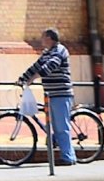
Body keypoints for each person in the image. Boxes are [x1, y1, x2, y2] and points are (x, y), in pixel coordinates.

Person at [19, 27, 77, 166]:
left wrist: (32, 79)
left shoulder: (60, 50)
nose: (41, 40)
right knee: (56, 126)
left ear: (50, 38)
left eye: (43, 37)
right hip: (50, 94)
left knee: (62, 127)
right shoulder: (47, 53)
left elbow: (50, 67)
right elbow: (36, 66)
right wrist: (22, 78)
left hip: (61, 94)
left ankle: (69, 158)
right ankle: (61, 148)